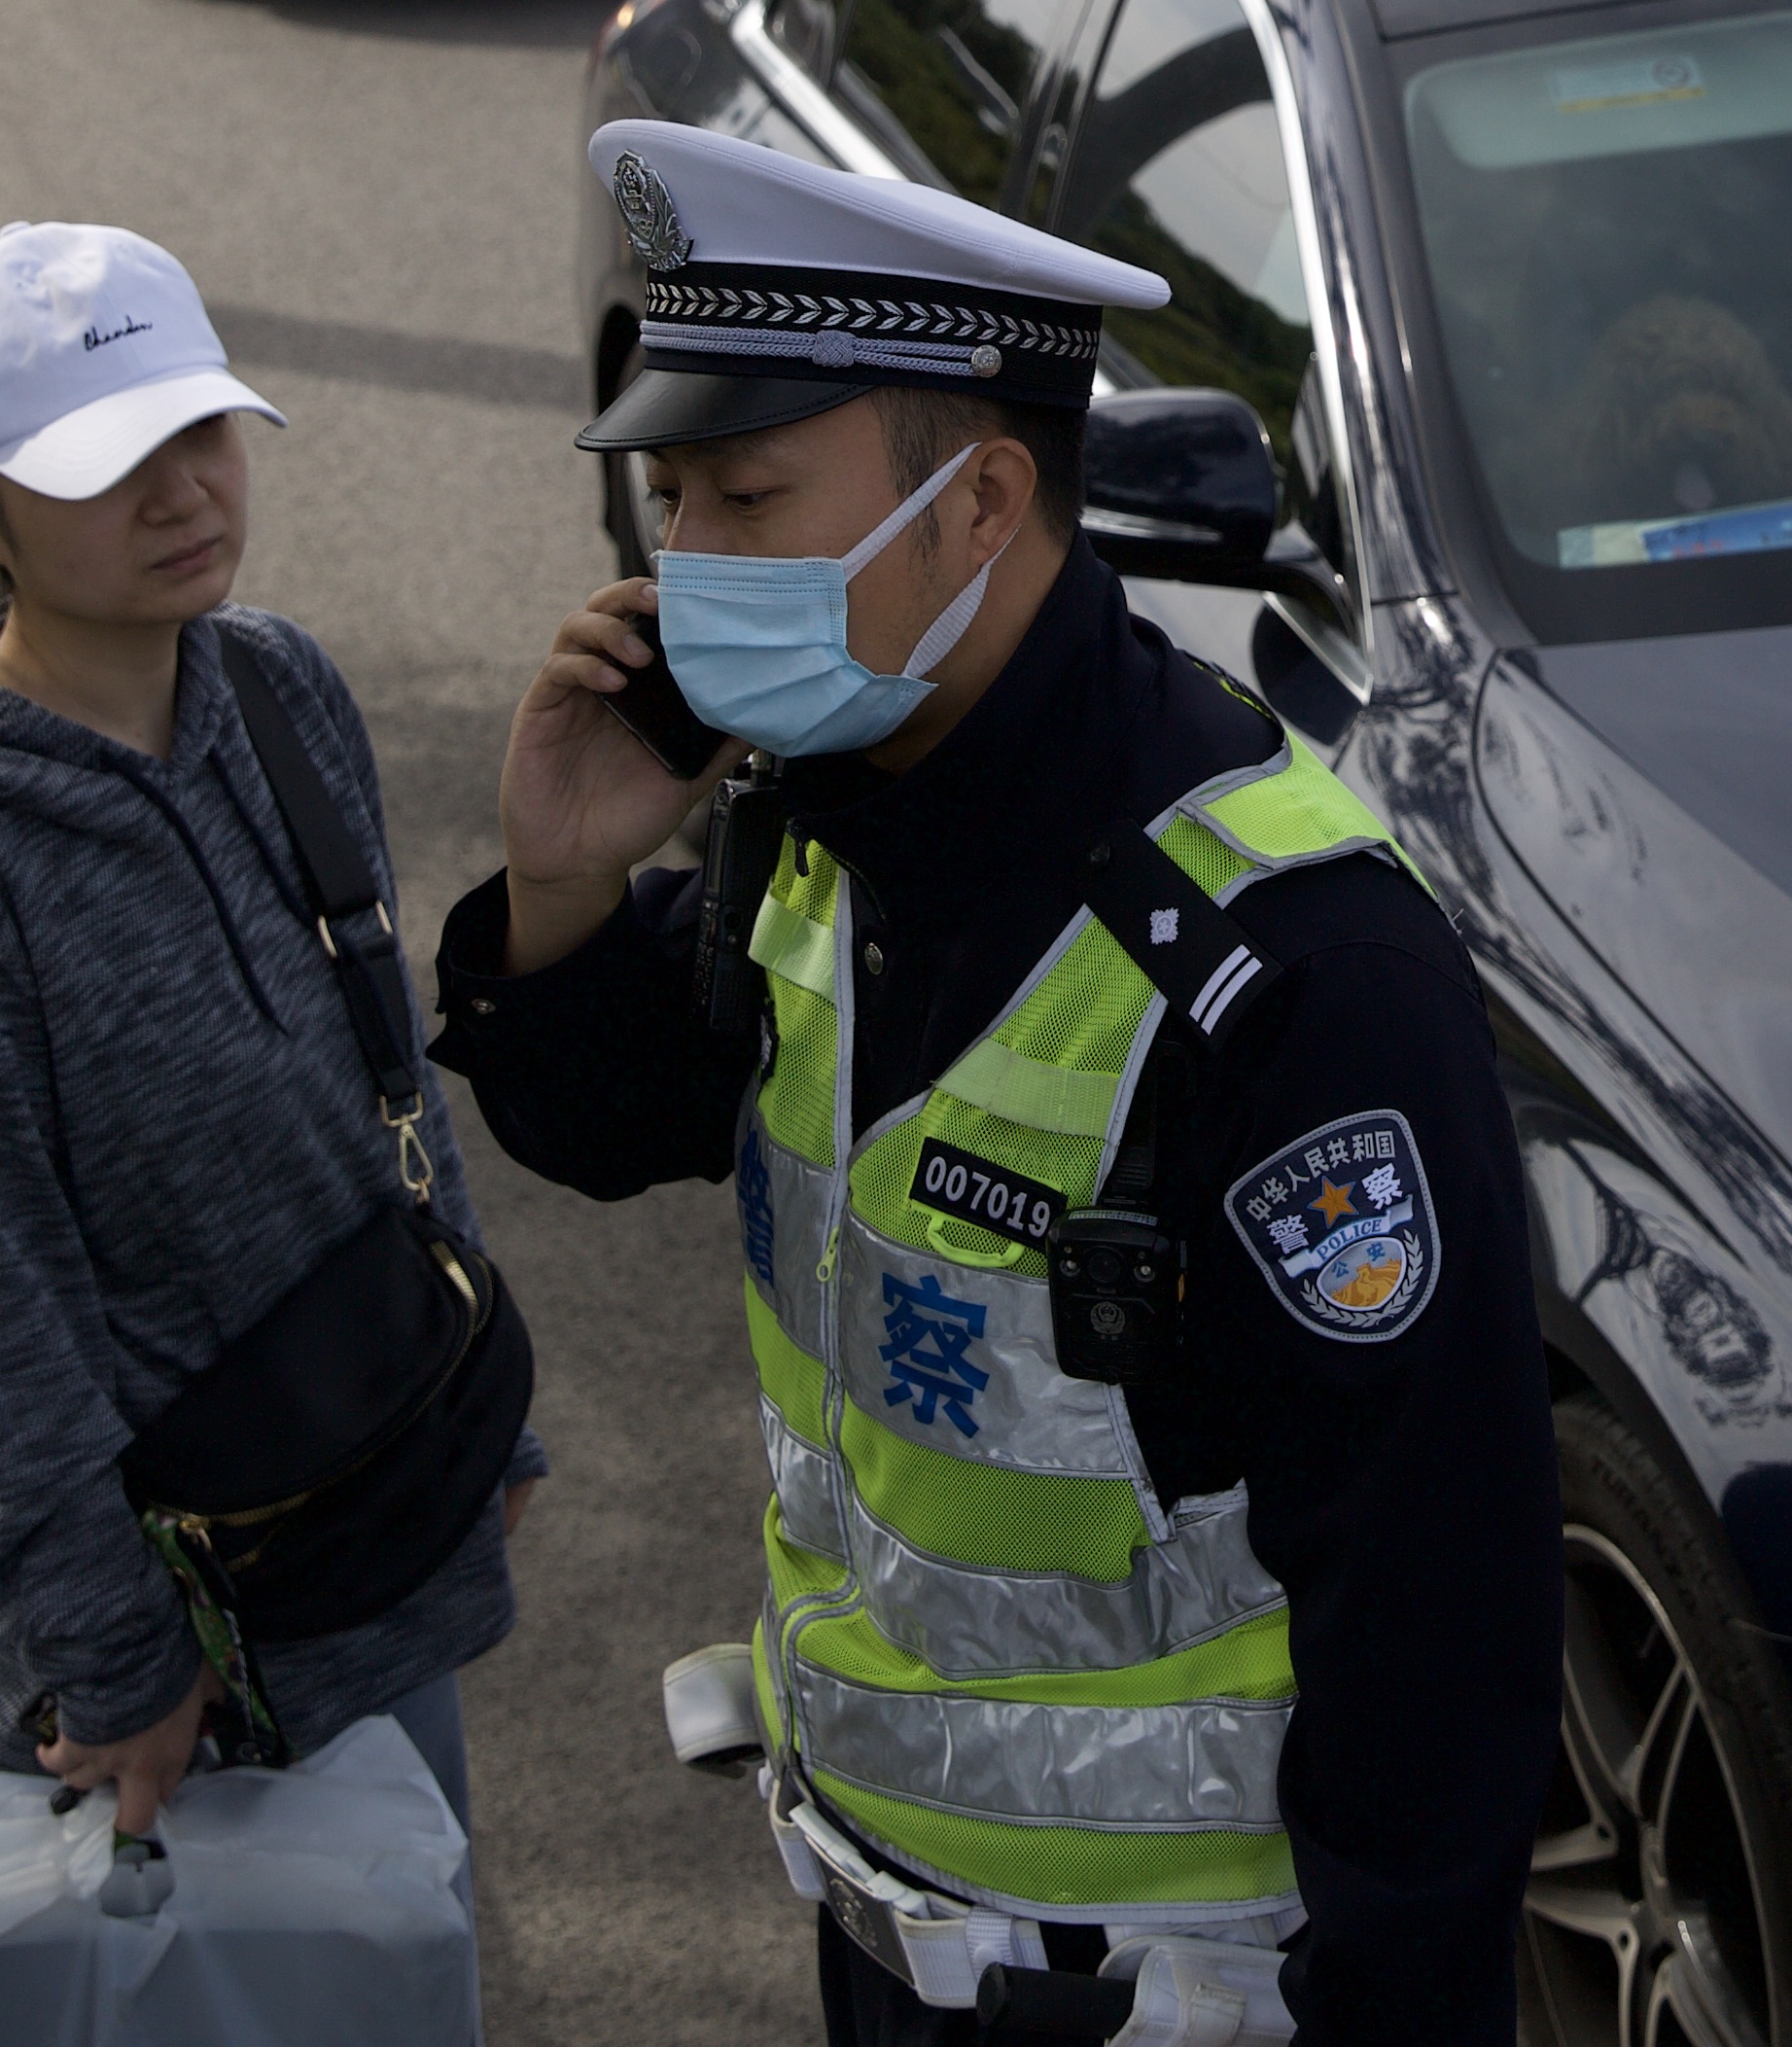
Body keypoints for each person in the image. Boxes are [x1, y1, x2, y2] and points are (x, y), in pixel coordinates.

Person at [433, 125, 1554, 2043]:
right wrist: (560, 887)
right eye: (670, 500)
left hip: (1197, 1999)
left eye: (748, 497)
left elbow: (1437, 1615)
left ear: (978, 504)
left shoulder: (1290, 966)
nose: (681, 565)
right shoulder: (830, 814)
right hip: (887, 1925)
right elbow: (614, 1126)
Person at [0, 221, 535, 1847]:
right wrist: (118, 1658)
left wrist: (485, 1401)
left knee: (406, 1982)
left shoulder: (277, 685)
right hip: (159, 1657)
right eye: (105, 459)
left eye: (201, 427)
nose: (184, 493)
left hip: (364, 1535)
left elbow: (387, 1078)